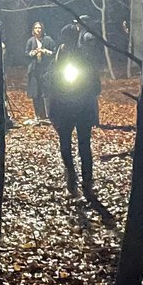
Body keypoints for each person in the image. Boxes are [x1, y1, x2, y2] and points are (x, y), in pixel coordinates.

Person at [47, 16, 104, 198]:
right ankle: (84, 178)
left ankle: (74, 175)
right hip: (80, 110)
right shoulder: (80, 57)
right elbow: (96, 86)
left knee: (68, 143)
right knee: (83, 145)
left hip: (66, 110)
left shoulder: (59, 59)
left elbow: (49, 85)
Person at [24, 21, 56, 120]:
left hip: (45, 69)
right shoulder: (31, 41)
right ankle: (38, 114)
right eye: (36, 28)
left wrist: (44, 51)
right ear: (33, 30)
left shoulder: (48, 40)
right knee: (35, 92)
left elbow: (54, 52)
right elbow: (26, 54)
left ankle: (48, 114)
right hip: (34, 70)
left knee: (46, 92)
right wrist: (33, 53)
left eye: (40, 28)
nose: (38, 30)